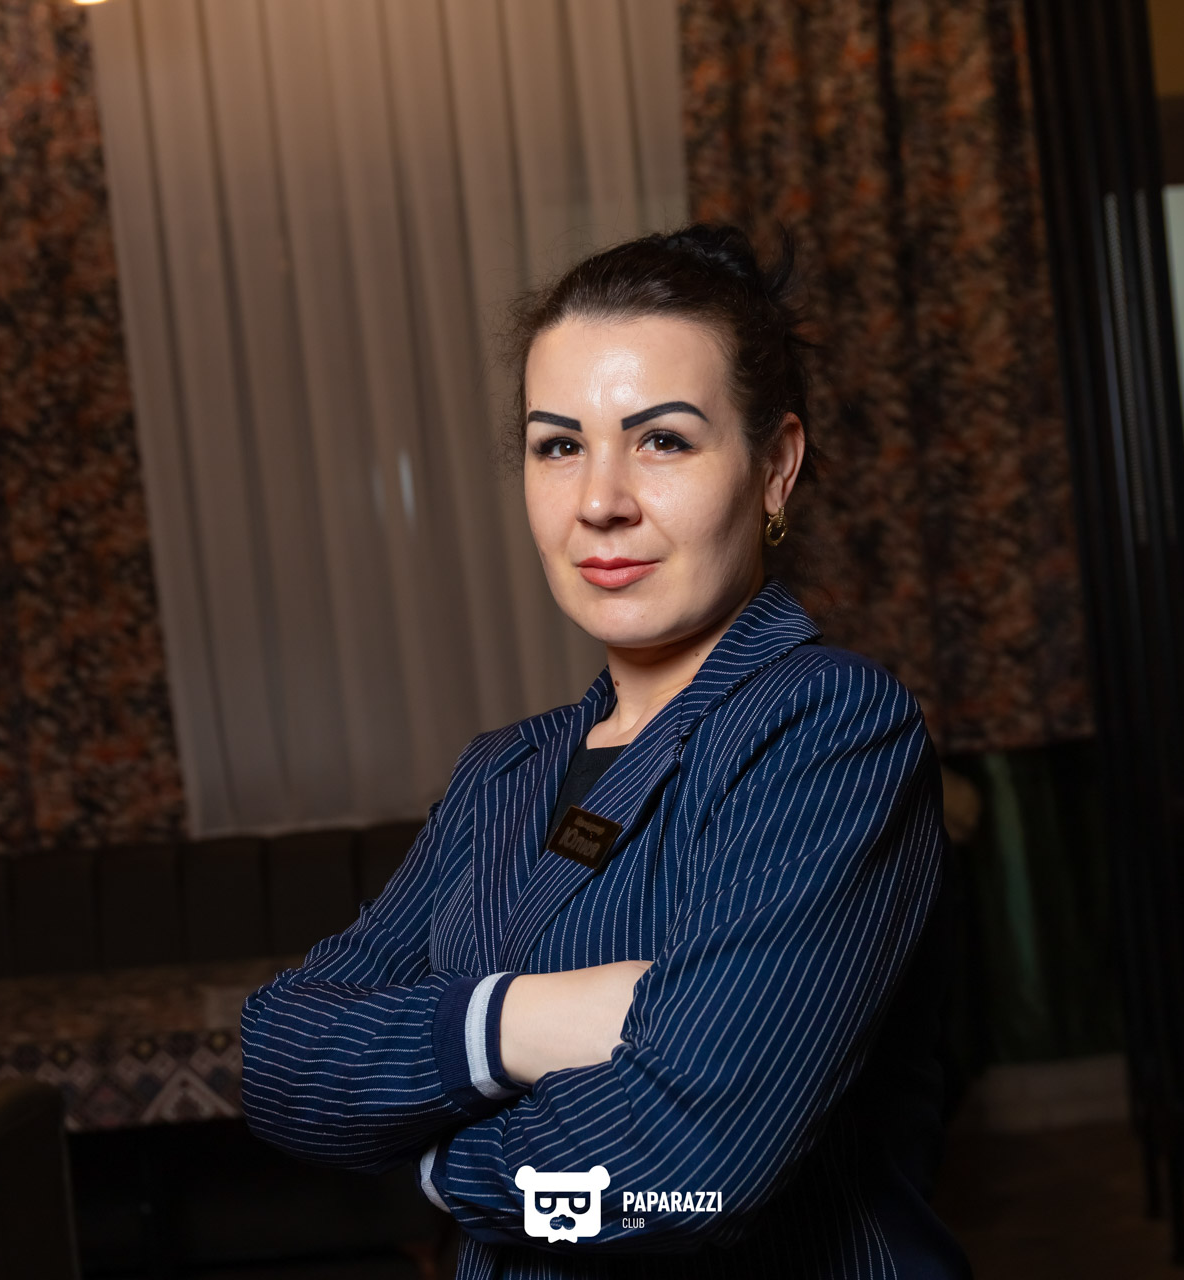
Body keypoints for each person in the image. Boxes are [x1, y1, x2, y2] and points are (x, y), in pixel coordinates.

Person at [240, 225, 970, 1278]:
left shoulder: (828, 726)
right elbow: (279, 1062)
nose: (599, 501)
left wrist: (433, 1166)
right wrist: (521, 1022)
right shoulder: (504, 773)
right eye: (559, 446)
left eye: (662, 440)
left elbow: (690, 1172)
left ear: (775, 468)